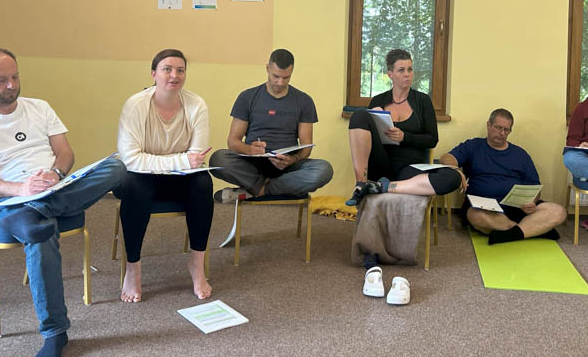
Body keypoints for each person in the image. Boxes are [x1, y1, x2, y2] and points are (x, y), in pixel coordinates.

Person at [0, 49, 126, 357]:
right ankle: (55, 332)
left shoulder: (40, 108)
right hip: (7, 201)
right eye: (1, 80)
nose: (11, 85)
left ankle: (35, 212)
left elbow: (65, 153)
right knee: (40, 235)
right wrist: (22, 189)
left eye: (15, 76)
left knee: (116, 168)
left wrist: (56, 174)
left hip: (54, 189)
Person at [114, 49, 213, 303]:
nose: (174, 75)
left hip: (177, 178)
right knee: (135, 185)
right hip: (139, 177)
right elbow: (131, 159)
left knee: (203, 182)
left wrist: (184, 162)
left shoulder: (197, 105)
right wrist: (181, 160)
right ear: (153, 74)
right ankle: (133, 268)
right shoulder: (135, 105)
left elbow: (197, 159)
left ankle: (197, 265)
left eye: (180, 70)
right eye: (167, 69)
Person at [346, 49, 461, 268]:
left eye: (410, 69)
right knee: (360, 115)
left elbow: (432, 139)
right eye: (401, 70)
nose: (407, 74)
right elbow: (367, 135)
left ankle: (381, 187)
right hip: (382, 162)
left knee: (451, 177)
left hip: (409, 168)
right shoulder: (379, 100)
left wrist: (404, 136)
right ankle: (361, 183)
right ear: (390, 74)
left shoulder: (422, 101)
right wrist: (374, 117)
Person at [210, 49, 333, 201]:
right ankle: (274, 187)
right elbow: (232, 142)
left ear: (292, 72)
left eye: (286, 78)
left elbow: (306, 146)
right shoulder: (247, 97)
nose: (280, 82)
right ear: (267, 68)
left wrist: (294, 159)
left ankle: (257, 190)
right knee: (218, 159)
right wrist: (250, 150)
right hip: (252, 164)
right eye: (276, 76)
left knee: (324, 170)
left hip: (287, 166)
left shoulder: (304, 101)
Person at [441, 108, 566, 245]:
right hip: (485, 208)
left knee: (558, 211)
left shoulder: (520, 154)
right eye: (498, 128)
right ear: (489, 125)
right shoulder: (473, 146)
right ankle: (531, 230)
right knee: (474, 215)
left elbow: (534, 187)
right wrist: (456, 170)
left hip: (518, 208)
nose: (501, 133)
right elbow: (446, 157)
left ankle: (510, 233)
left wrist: (532, 202)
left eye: (506, 130)